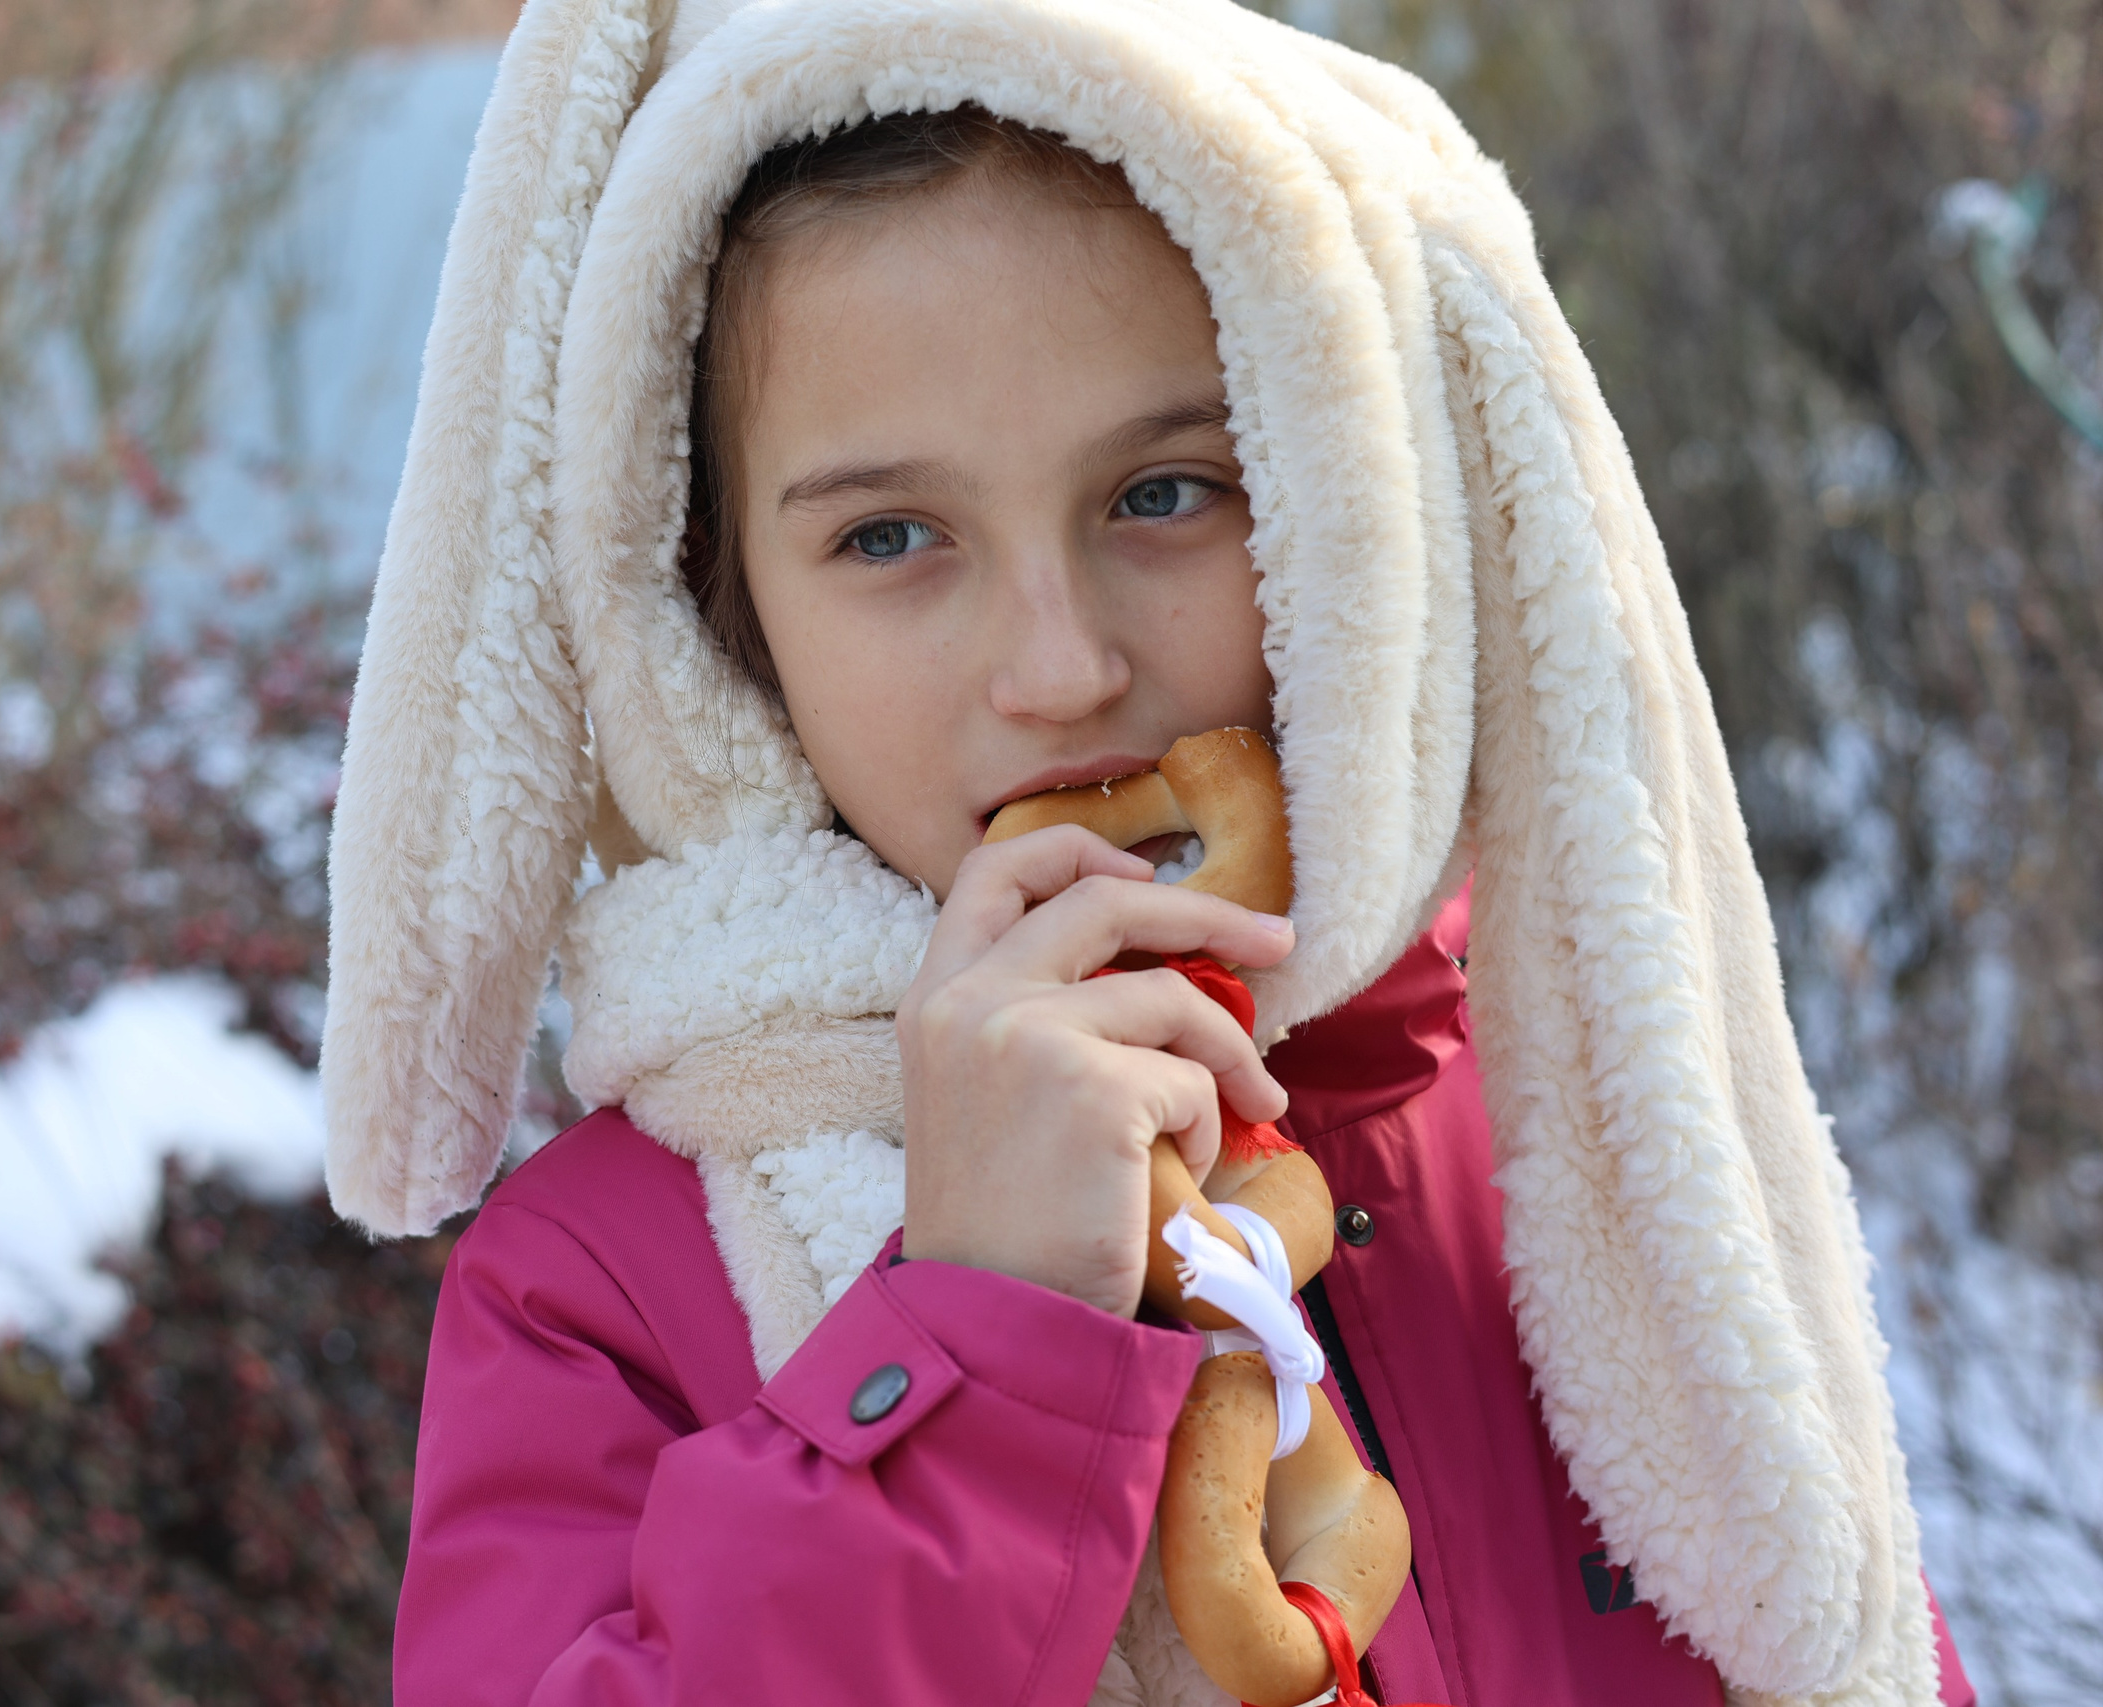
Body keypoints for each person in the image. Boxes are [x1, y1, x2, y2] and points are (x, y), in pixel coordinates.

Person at [320, 3, 1975, 1703]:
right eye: (891, 537)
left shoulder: (1613, 1137)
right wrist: (975, 1333)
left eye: (1165, 493)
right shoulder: (600, 1291)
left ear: (1352, 492)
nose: (1062, 669)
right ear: (723, 619)